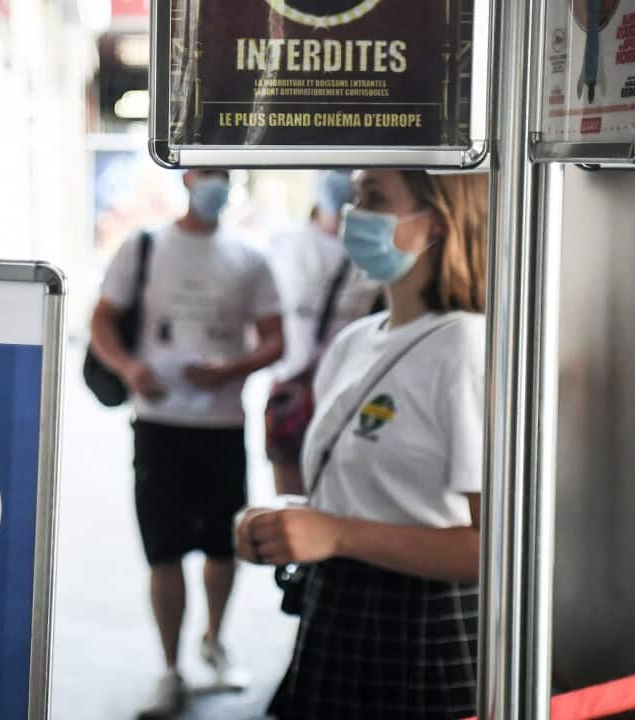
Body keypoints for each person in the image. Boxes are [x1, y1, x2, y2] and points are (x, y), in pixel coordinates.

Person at [235, 169, 488, 719]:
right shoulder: (354, 342)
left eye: (374, 198)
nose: (354, 215)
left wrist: (338, 535)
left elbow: (492, 549)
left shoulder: (466, 348)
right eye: (355, 197)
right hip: (337, 611)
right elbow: (360, 499)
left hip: (421, 627)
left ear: (437, 224)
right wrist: (284, 524)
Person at [90, 168, 285, 718]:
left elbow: (275, 338)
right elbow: (102, 319)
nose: (215, 185)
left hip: (221, 426)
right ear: (187, 178)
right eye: (206, 175)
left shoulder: (250, 255)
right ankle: (170, 669)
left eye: (224, 175)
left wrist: (233, 368)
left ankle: (215, 641)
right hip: (159, 424)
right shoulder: (145, 245)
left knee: (226, 546)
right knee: (165, 548)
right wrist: (130, 368)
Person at [265, 170, 384, 496]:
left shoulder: (374, 252)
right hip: (293, 387)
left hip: (349, 390)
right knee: (291, 495)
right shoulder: (285, 244)